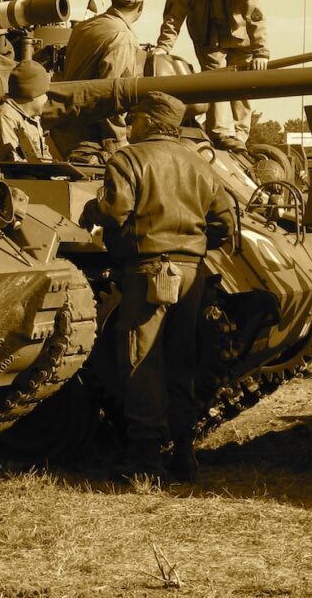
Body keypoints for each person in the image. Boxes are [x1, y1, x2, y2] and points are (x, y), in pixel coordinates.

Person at [80, 91, 235, 482]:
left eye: (135, 118)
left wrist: (91, 210)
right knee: (181, 361)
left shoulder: (128, 159)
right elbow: (225, 224)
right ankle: (184, 454)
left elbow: (117, 210)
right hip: (191, 272)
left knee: (141, 360)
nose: (130, 124)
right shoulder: (199, 163)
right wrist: (192, 247)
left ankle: (145, 460)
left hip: (148, 271)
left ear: (150, 121)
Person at [153, 0, 268, 151]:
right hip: (207, 38)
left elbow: (256, 16)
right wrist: (163, 47)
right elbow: (174, 13)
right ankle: (223, 134)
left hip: (240, 39)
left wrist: (261, 52)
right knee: (216, 80)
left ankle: (240, 138)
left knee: (242, 84)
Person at [52, 0, 148, 158]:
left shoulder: (84, 27)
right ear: (141, 7)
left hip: (66, 129)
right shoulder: (122, 38)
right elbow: (112, 95)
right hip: (91, 140)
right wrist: (117, 143)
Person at [0, 60, 53, 162]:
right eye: (45, 93)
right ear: (33, 94)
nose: (46, 99)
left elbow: (44, 157)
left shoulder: (33, 119)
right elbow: (11, 164)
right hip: (16, 177)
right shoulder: (4, 118)